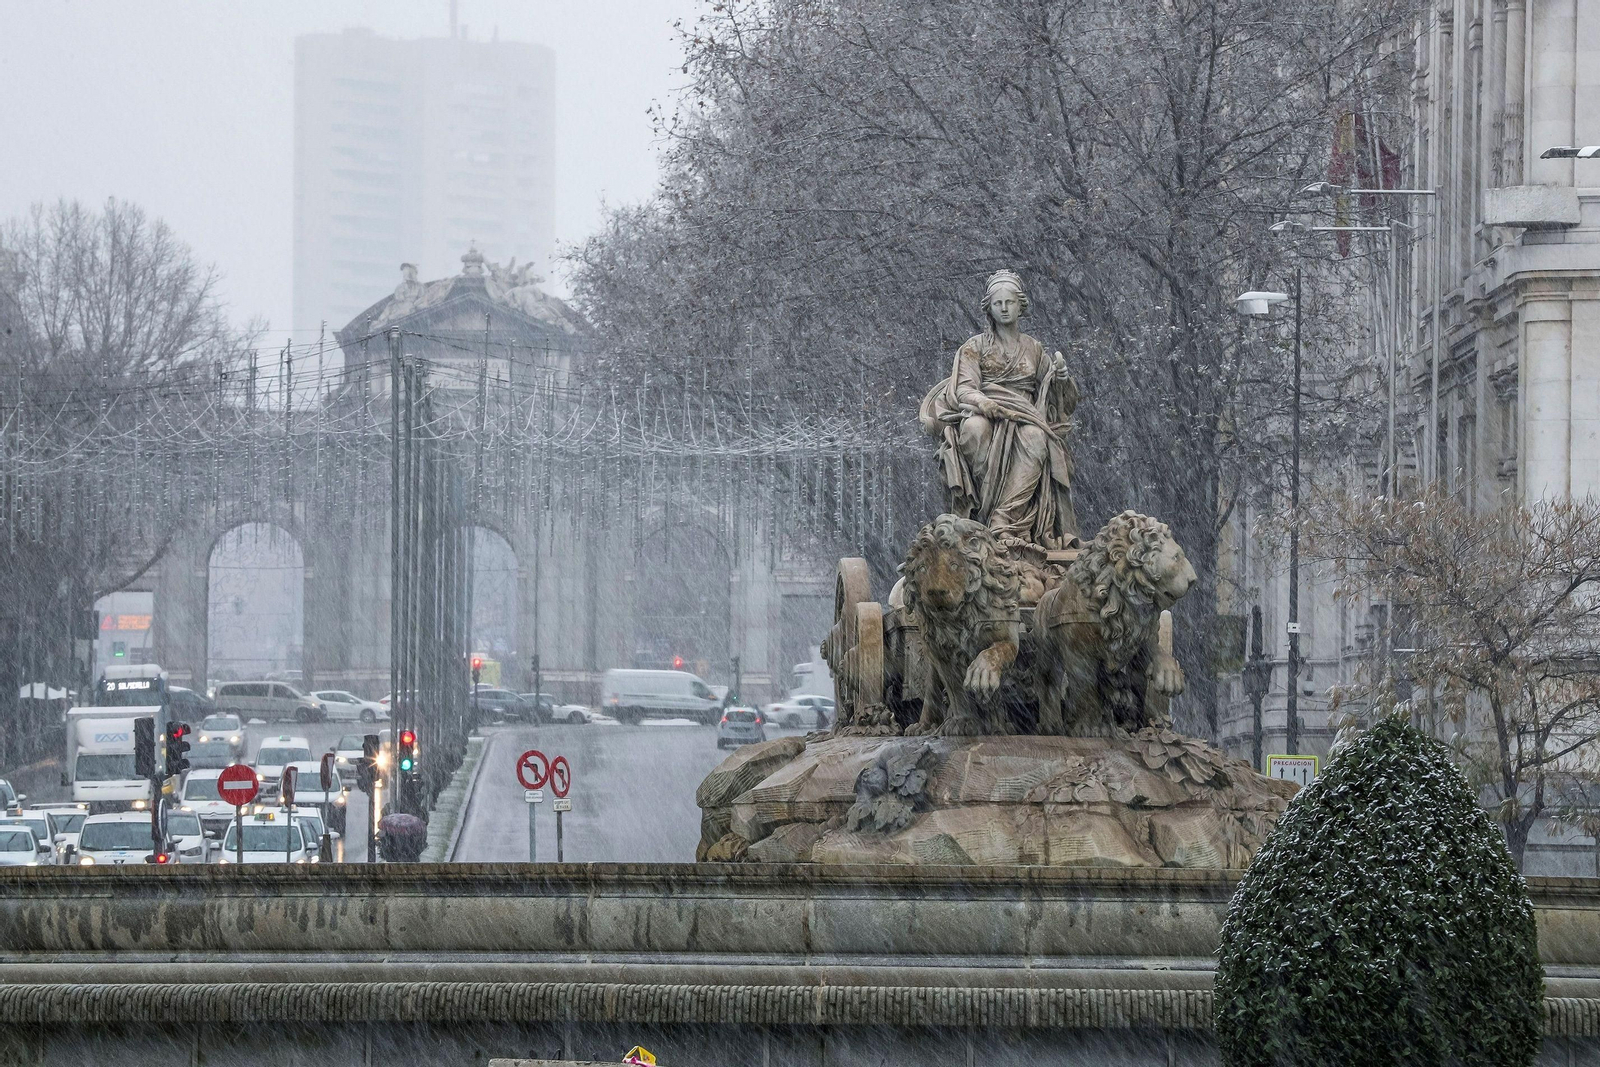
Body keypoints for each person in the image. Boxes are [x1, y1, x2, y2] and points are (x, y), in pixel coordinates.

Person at [919, 270, 1079, 549]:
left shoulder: (1034, 349)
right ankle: (985, 510)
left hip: (1024, 416)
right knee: (973, 428)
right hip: (986, 412)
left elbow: (1055, 398)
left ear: (1020, 305)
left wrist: (1062, 379)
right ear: (989, 309)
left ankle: (1005, 520)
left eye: (1009, 302)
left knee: (1036, 438)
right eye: (998, 303)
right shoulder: (975, 347)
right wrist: (985, 404)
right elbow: (964, 389)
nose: (1004, 308)